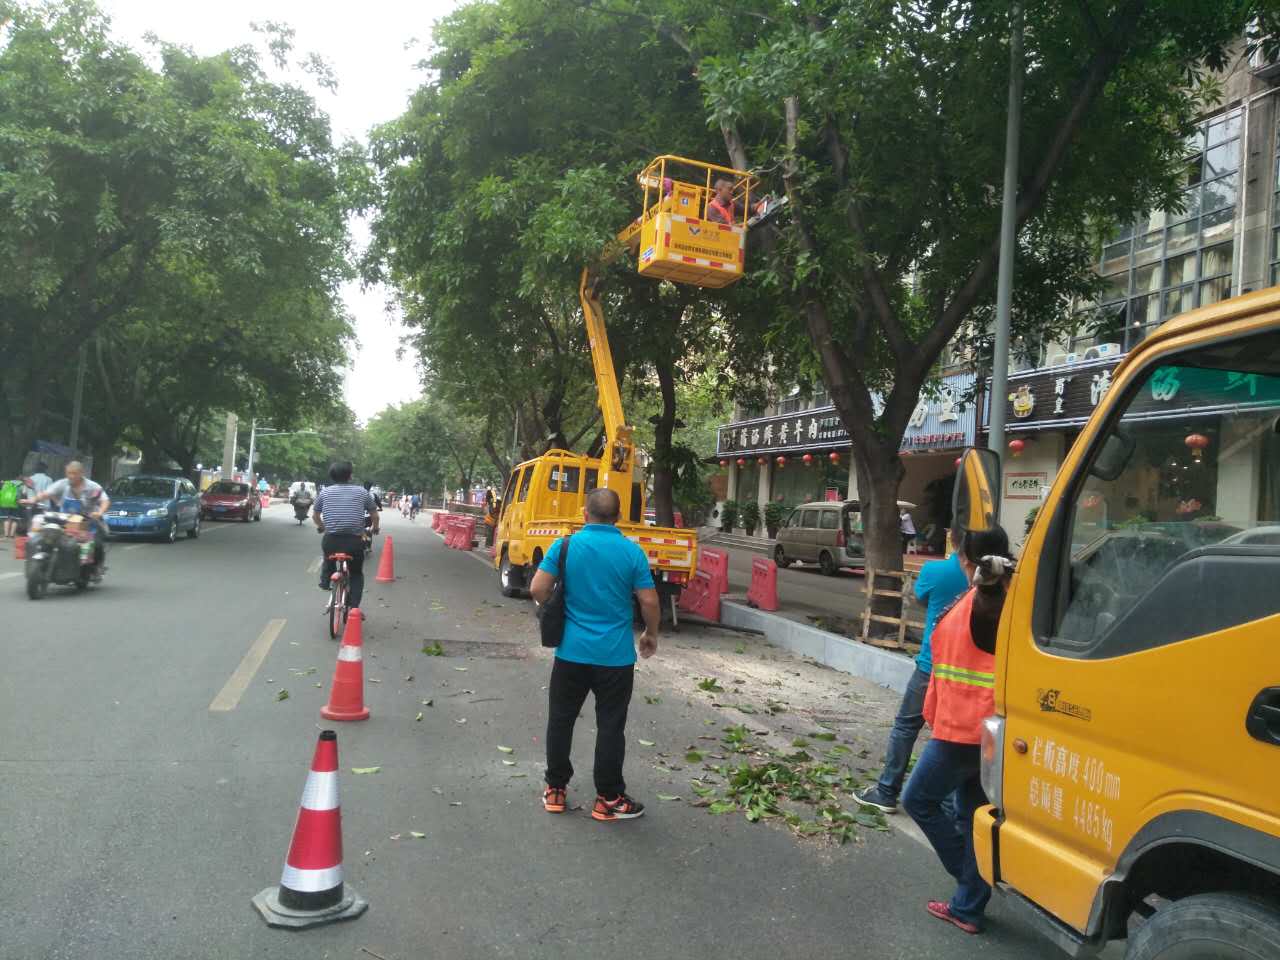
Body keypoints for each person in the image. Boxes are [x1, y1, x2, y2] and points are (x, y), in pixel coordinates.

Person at [901, 526, 1014, 935]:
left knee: (918, 799)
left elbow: (984, 620)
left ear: (966, 558)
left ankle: (971, 880)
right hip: (979, 727)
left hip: (965, 729)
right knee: (970, 817)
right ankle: (967, 907)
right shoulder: (991, 596)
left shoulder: (988, 601)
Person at [530, 488, 660, 822]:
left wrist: (553, 609)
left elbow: (538, 588)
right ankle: (608, 799)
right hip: (615, 657)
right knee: (611, 726)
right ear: (618, 517)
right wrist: (651, 633)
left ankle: (555, 789)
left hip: (571, 652)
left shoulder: (565, 546)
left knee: (561, 720)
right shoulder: (632, 552)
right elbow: (648, 600)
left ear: (584, 513)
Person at [854, 528, 969, 814]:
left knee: (906, 726)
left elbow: (921, 598)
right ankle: (948, 800)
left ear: (952, 539)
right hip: (969, 674)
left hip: (931, 665)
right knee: (951, 735)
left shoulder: (935, 571)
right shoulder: (993, 582)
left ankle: (886, 791)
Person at [313, 462, 378, 611]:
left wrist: (322, 527)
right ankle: (354, 607)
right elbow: (375, 515)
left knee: (328, 557)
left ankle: (325, 580)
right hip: (355, 541)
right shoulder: (362, 492)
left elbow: (315, 516)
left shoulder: (325, 492)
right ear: (350, 476)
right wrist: (375, 528)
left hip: (331, 540)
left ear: (332, 476)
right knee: (356, 573)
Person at [26, 461, 111, 572]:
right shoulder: (62, 484)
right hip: (65, 522)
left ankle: (96, 568)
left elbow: (105, 500)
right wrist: (33, 500)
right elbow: (46, 493)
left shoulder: (92, 486)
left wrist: (99, 512)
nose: (71, 476)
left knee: (96, 544)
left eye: (74, 473)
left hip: (88, 523)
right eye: (69, 473)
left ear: (81, 473)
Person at [0, 474, 22, 538]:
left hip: (5, 502)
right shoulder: (21, 484)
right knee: (15, 519)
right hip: (16, 502)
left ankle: (6, 534)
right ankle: (12, 535)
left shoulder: (6, 483)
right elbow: (24, 492)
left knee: (6, 519)